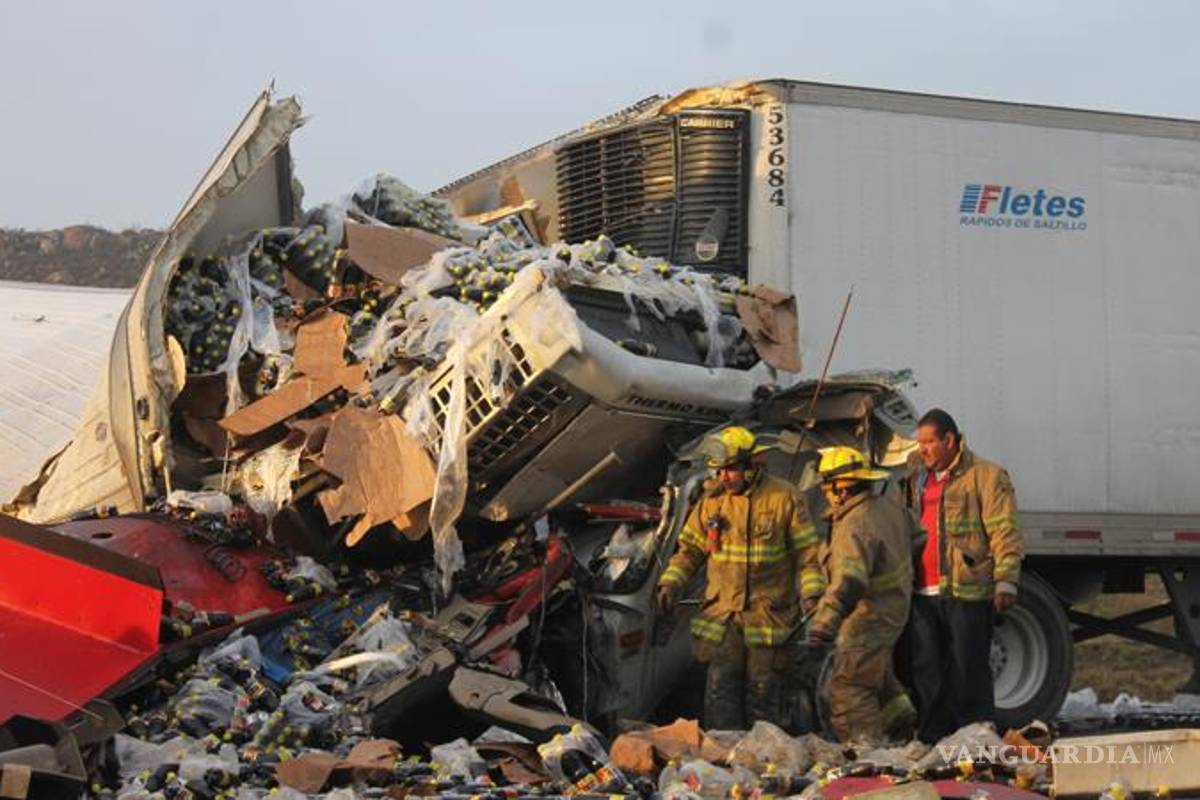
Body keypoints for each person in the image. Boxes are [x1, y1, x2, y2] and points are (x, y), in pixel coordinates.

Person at [655, 426, 824, 729]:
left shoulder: (784, 498)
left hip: (767, 617)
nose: (723, 478)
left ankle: (763, 763)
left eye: (731, 470)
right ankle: (726, 764)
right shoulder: (712, 502)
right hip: (723, 617)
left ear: (752, 465)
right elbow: (690, 550)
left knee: (764, 695)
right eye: (719, 471)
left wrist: (812, 593)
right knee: (720, 693)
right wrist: (671, 582)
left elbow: (808, 553)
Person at [905, 408, 1023, 743]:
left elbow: (1005, 531)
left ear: (950, 440)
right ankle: (934, 741)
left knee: (967, 668)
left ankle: (977, 739)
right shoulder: (916, 477)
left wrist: (1006, 580)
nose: (922, 449)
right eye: (920, 443)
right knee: (927, 670)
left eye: (929, 442)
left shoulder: (986, 476)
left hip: (966, 590)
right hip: (923, 591)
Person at [805, 446, 915, 744]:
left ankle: (869, 755)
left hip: (868, 616)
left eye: (827, 487)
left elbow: (849, 582)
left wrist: (823, 625)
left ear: (840, 489)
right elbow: (919, 538)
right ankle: (901, 722)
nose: (826, 494)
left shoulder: (854, 523)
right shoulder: (889, 508)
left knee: (850, 688)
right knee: (876, 673)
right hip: (895, 608)